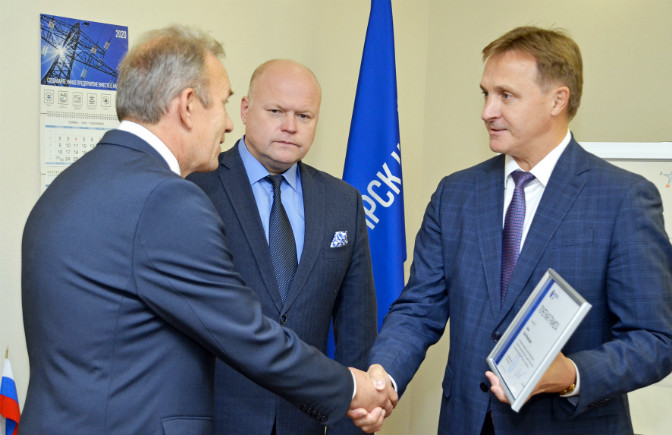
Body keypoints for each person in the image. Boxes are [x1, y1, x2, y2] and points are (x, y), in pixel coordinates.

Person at [20, 25, 394, 435]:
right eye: (222, 104)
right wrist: (350, 388)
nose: (229, 124)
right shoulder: (167, 198)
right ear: (187, 106)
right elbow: (243, 331)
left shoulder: (71, 183)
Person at [360, 26, 672, 435]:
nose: (487, 111)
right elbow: (419, 308)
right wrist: (382, 377)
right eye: (485, 94)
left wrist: (572, 374)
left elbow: (655, 339)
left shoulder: (623, 199)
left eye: (506, 95)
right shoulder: (456, 194)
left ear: (557, 100)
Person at [188, 59, 377, 435]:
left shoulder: (343, 202)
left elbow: (357, 331)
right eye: (276, 111)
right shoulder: (195, 189)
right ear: (245, 110)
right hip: (217, 420)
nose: (290, 126)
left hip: (305, 421)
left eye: (304, 116)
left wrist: (351, 424)